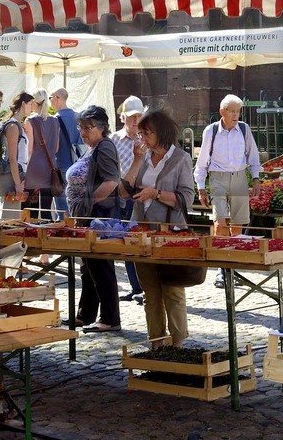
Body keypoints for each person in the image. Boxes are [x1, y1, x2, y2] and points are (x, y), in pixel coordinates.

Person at [122, 108, 198, 347]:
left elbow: (187, 198)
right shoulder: (142, 156)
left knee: (172, 290)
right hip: (143, 232)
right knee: (150, 292)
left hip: (171, 233)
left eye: (146, 133)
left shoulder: (180, 158)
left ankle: (178, 345)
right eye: (141, 133)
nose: (142, 138)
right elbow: (125, 191)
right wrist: (135, 160)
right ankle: (156, 343)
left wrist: (155, 193)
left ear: (161, 132)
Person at [66, 105, 123, 332]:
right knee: (88, 267)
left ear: (101, 128)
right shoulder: (92, 148)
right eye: (81, 127)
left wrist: (89, 203)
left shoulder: (105, 147)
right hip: (87, 216)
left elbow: (111, 182)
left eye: (88, 127)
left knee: (101, 267)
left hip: (99, 217)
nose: (83, 131)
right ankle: (86, 313)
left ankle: (110, 319)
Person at [194, 94, 262, 243]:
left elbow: (253, 156)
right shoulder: (211, 131)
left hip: (240, 177)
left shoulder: (244, 129)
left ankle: (233, 259)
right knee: (220, 222)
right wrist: (201, 188)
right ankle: (221, 261)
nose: (235, 115)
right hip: (218, 178)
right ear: (222, 112)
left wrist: (256, 179)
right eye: (232, 111)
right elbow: (202, 162)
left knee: (238, 224)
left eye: (238, 111)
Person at [111, 96, 146, 303]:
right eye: (132, 117)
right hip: (121, 196)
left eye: (139, 117)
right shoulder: (114, 140)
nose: (136, 121)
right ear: (123, 117)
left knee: (141, 242)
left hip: (143, 196)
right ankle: (135, 287)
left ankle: (145, 286)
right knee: (126, 242)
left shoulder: (148, 139)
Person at [24, 92, 75, 219]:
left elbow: (29, 150)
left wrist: (23, 170)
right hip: (50, 166)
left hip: (33, 167)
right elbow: (56, 148)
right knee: (46, 210)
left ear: (34, 103)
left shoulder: (30, 121)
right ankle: (46, 235)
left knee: (26, 208)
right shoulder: (54, 120)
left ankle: (27, 234)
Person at [0, 92, 37, 207]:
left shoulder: (17, 125)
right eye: (31, 104)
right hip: (11, 175)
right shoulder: (13, 126)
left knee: (13, 214)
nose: (33, 108)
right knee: (9, 213)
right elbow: (12, 158)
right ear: (23, 104)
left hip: (17, 174)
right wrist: (17, 183)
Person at [51, 88, 82, 159]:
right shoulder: (79, 116)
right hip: (77, 160)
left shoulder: (54, 120)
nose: (50, 101)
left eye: (50, 98)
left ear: (56, 99)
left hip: (61, 162)